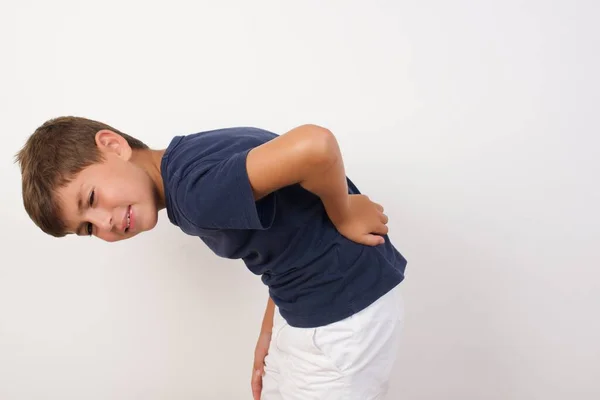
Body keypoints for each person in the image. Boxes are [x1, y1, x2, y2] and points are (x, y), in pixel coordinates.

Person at [16, 116, 408, 399]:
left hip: (340, 313)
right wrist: (270, 331)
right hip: (316, 301)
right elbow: (288, 233)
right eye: (87, 228)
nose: (104, 224)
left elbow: (315, 145)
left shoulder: (195, 195)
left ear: (114, 146)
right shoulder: (187, 157)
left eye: (91, 199)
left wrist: (344, 211)